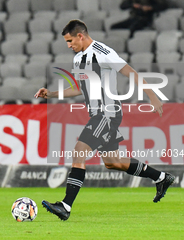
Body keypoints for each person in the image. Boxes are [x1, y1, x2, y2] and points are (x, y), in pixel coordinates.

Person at [34, 19, 175, 221]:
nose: (68, 46)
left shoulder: (102, 52)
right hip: (97, 114)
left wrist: (153, 96)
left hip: (107, 113)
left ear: (80, 36)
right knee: (113, 162)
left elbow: (131, 73)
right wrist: (52, 93)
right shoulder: (78, 59)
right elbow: (78, 88)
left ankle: (65, 206)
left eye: (70, 41)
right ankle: (161, 178)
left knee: (79, 152)